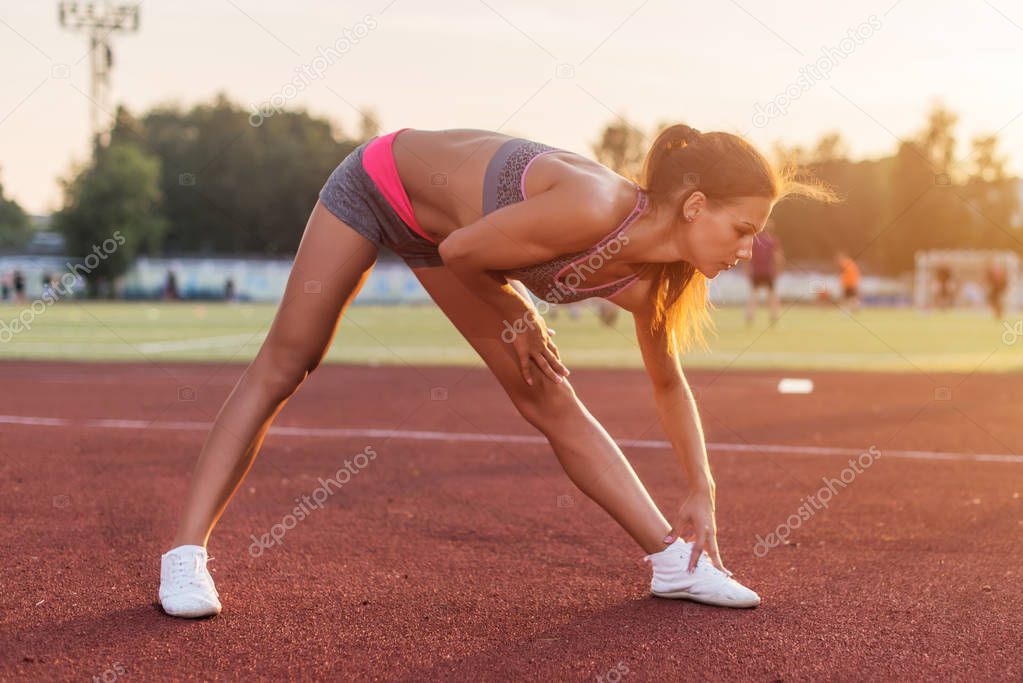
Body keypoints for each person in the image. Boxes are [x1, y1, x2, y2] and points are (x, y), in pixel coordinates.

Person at [158, 125, 831, 618]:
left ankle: (673, 562)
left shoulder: (661, 279)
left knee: (549, 396)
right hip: (380, 184)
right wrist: (521, 317)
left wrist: (700, 487)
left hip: (447, 238)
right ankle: (184, 556)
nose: (749, 249)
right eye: (741, 228)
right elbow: (461, 251)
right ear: (693, 207)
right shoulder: (593, 207)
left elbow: (667, 383)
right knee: (288, 360)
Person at [744, 220, 783, 326]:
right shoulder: (773, 241)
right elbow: (778, 258)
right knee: (772, 295)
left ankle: (749, 316)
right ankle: (774, 316)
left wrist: (747, 270)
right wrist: (778, 270)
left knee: (754, 294)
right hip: (768, 271)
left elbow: (748, 258)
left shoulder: (754, 241)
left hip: (756, 271)